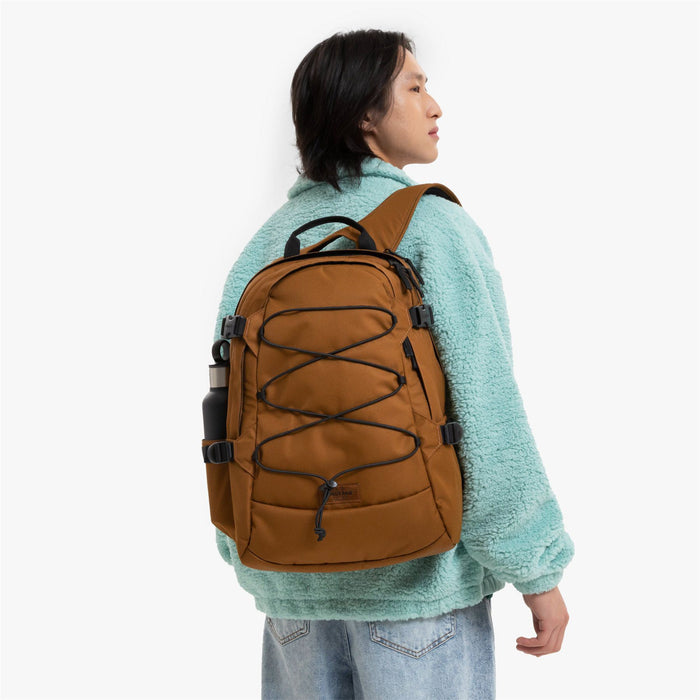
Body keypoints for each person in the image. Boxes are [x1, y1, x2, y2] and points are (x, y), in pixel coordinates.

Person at [211, 29, 575, 699]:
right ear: (364, 116)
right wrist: (537, 569)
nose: (435, 105)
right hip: (418, 592)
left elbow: (225, 420)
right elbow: (485, 410)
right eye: (414, 86)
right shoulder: (432, 229)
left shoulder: (266, 245)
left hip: (293, 599)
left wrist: (247, 552)